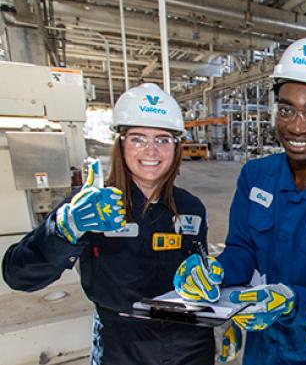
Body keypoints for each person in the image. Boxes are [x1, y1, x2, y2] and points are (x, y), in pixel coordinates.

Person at [173, 32, 306, 365]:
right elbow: (241, 251)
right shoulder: (255, 176)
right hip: (260, 348)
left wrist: (292, 302)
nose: (297, 127)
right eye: (287, 110)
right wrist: (214, 274)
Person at [2, 83, 215, 365]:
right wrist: (64, 230)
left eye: (163, 139)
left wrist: (217, 304)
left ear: (176, 147)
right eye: (138, 138)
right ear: (121, 143)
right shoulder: (91, 205)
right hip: (122, 348)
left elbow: (200, 278)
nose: (151, 150)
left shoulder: (191, 208)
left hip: (190, 346)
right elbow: (19, 276)